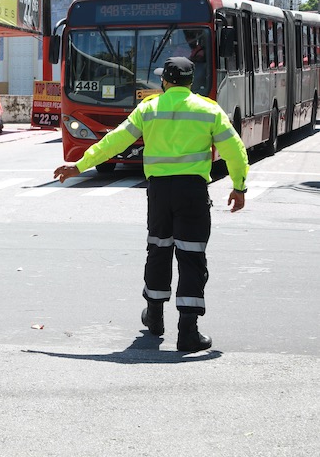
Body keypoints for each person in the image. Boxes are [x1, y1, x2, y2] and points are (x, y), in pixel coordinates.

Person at [53, 56, 249, 352]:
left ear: (165, 81)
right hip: (193, 192)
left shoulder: (149, 108)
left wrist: (79, 166)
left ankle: (155, 317)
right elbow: (234, 149)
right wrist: (239, 186)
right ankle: (188, 331)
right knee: (191, 255)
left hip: (159, 192)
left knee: (158, 250)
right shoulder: (208, 110)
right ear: (190, 81)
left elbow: (115, 141)